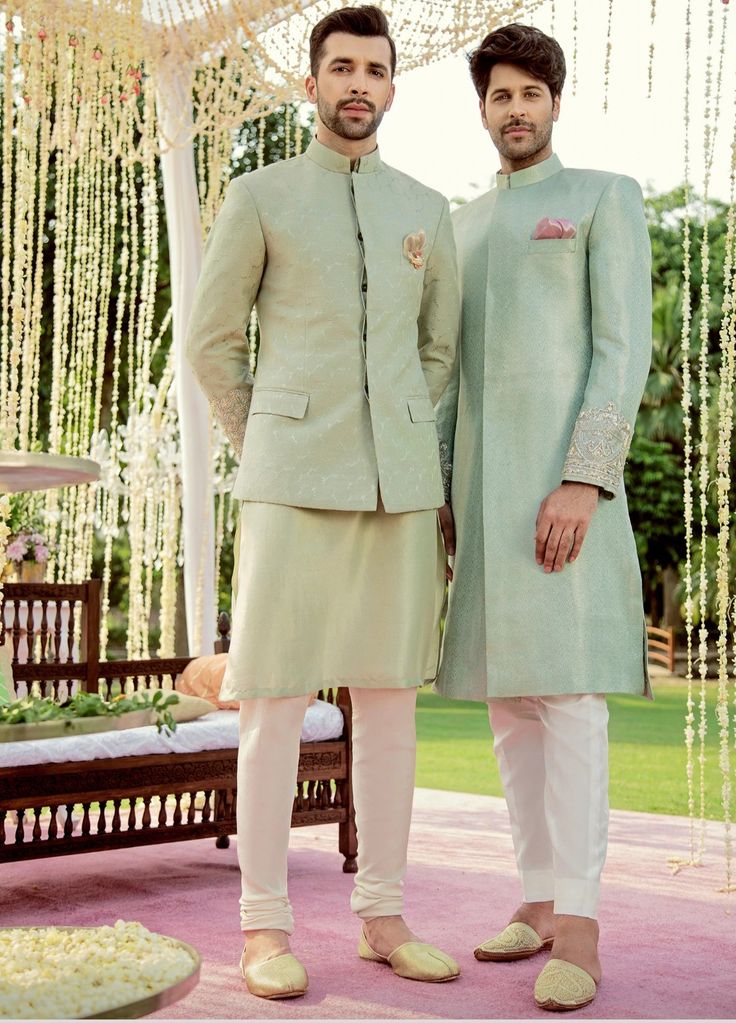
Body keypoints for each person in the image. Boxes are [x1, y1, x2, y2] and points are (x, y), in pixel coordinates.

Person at [186, 4, 461, 1000]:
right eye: (339, 67)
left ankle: (382, 917)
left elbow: (439, 349)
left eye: (373, 70)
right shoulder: (258, 196)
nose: (356, 84)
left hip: (397, 490)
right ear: (310, 84)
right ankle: (264, 930)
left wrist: (388, 425)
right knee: (272, 703)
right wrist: (277, 432)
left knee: (388, 705)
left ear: (390, 87)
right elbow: (211, 342)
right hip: (288, 486)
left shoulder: (428, 208)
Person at [436, 22, 652, 1013]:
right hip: (479, 503)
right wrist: (440, 495)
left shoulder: (603, 198)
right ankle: (532, 897)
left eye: (529, 93)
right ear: (480, 111)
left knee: (566, 704)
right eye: (497, 96)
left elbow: (620, 350)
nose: (513, 110)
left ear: (554, 103)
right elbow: (445, 381)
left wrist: (583, 477)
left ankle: (581, 924)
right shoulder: (460, 225)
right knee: (509, 709)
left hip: (563, 493)